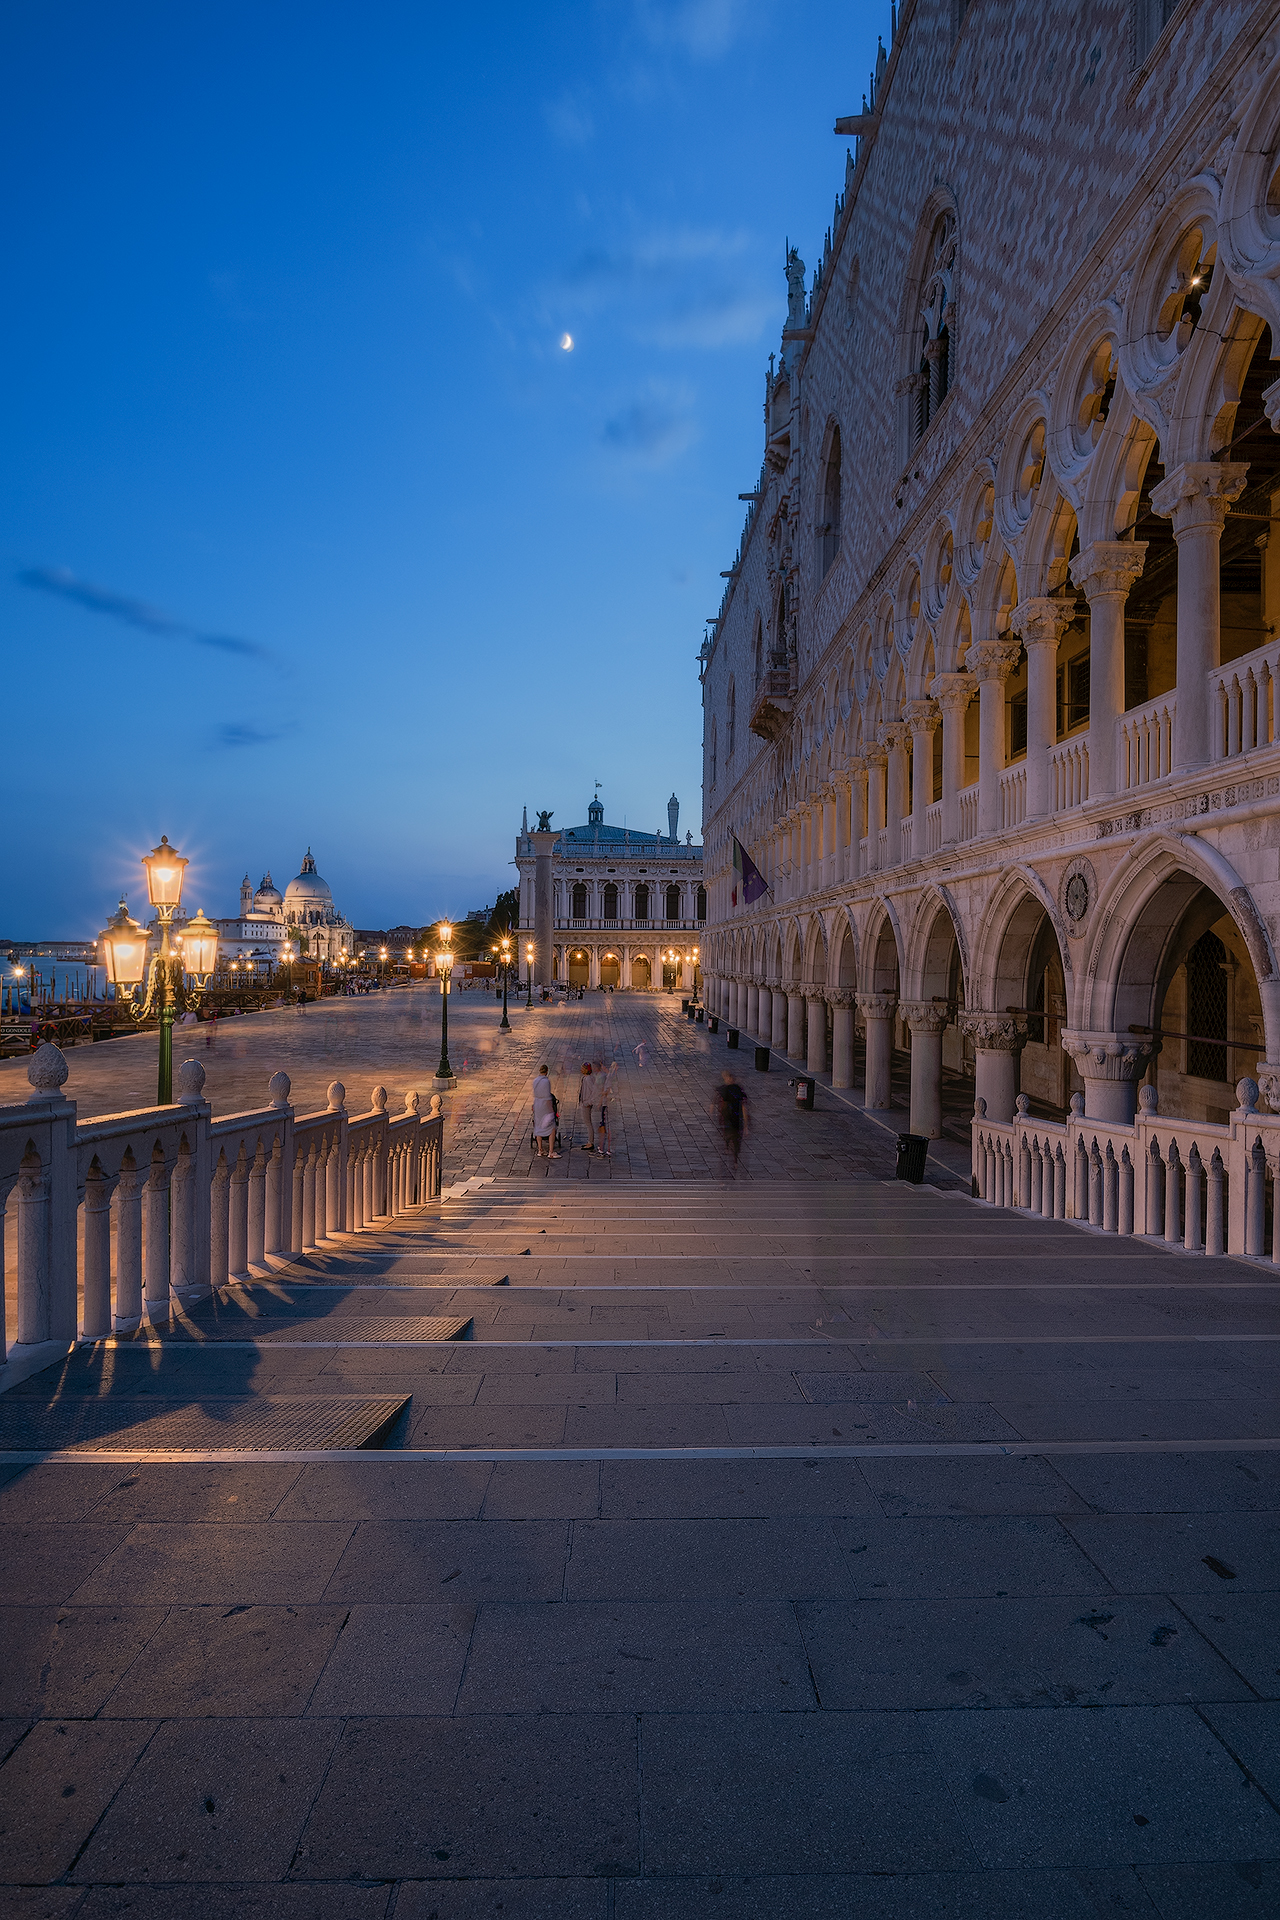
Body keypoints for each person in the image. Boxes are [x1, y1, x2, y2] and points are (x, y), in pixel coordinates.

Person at [714, 1069, 748, 1174]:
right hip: (730, 1118)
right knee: (732, 1136)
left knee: (734, 1138)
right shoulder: (733, 1089)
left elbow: (743, 1107)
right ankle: (732, 1155)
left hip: (733, 1118)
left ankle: (734, 1158)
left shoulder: (728, 1089)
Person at [532, 1064, 559, 1157]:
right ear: (547, 1071)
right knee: (551, 1128)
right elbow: (547, 1096)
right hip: (545, 1105)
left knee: (538, 1126)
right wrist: (551, 1110)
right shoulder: (546, 1081)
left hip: (537, 1104)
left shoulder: (535, 1081)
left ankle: (540, 1150)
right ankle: (551, 1151)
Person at [596, 1057, 617, 1157]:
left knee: (604, 1127)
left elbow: (607, 1091)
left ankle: (603, 1148)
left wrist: (599, 1096)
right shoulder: (611, 1075)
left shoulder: (609, 1078)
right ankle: (607, 1148)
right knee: (606, 1126)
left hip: (606, 1105)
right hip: (609, 1104)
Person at [577, 1060, 596, 1150]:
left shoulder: (588, 1079)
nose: (581, 1069)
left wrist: (588, 1102)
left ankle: (590, 1142)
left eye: (582, 1068)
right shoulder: (587, 1078)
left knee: (588, 1123)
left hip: (586, 1103)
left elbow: (594, 1091)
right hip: (585, 1102)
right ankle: (590, 1141)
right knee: (588, 1122)